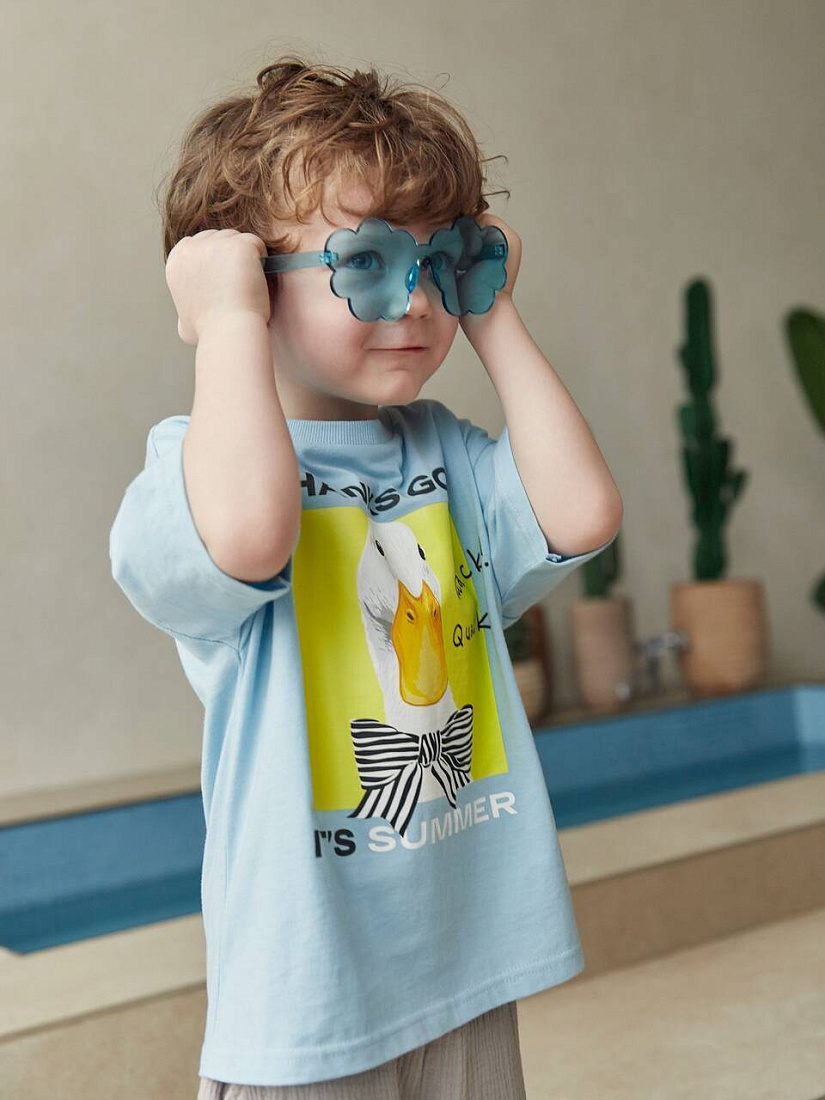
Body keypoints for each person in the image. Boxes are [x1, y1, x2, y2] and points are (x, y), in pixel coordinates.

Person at [109, 55, 622, 1099]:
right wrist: (227, 326)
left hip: (465, 960)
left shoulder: (445, 452)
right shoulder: (196, 471)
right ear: (250, 281)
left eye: (444, 263)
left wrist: (494, 308)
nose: (419, 300)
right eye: (370, 263)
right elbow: (252, 535)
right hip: (309, 1001)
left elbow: (581, 514)